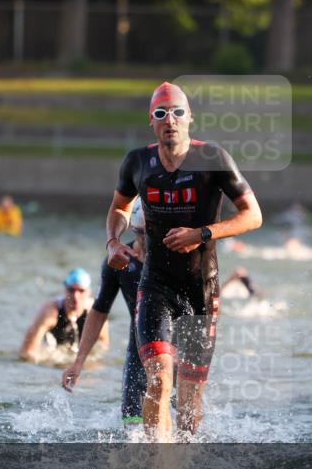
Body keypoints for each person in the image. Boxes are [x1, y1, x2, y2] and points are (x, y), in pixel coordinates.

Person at [105, 81, 262, 441]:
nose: (170, 120)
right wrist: (113, 241)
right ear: (152, 121)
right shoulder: (137, 162)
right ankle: (156, 466)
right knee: (159, 379)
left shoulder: (214, 159)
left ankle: (185, 461)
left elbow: (253, 216)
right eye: (161, 113)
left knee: (190, 402)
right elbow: (119, 207)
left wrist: (201, 234)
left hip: (201, 290)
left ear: (190, 118)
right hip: (156, 285)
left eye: (177, 112)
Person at [62, 201, 147, 426]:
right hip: (138, 350)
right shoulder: (118, 261)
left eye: (154, 233)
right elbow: (99, 310)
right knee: (132, 425)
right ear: (134, 230)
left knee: (181, 428)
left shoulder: (173, 257)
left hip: (174, 351)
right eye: (143, 234)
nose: (148, 242)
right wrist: (79, 361)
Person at [20, 268, 106, 363]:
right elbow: (27, 353)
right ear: (65, 290)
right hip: (54, 354)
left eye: (81, 291)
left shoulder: (95, 314)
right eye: (71, 290)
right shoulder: (50, 312)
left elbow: (103, 350)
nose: (75, 297)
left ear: (89, 293)